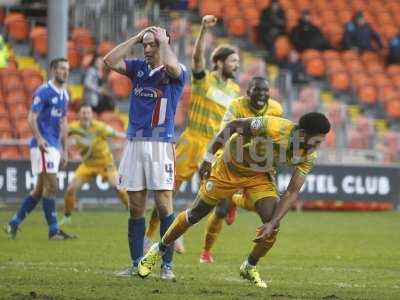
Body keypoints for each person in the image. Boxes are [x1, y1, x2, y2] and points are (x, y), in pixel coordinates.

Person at [138, 112, 331, 288]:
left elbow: (291, 192)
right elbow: (234, 125)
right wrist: (208, 157)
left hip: (258, 176)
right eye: (316, 141)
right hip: (228, 169)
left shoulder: (308, 156)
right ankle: (159, 249)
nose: (317, 147)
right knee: (196, 214)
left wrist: (272, 222)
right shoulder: (273, 126)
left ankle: (249, 266)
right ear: (304, 134)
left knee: (273, 224)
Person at [144, 15, 241, 253]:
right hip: (192, 141)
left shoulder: (236, 90)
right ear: (218, 62)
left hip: (213, 147)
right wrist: (203, 32)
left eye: (238, 61)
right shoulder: (204, 80)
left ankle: (177, 229)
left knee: (207, 198)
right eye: (233, 61)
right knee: (168, 190)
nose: (237, 65)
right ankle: (149, 236)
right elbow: (197, 58)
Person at [104, 26, 187, 280]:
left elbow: (172, 68)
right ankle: (136, 262)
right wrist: (137, 38)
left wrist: (163, 41)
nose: (148, 50)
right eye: (145, 46)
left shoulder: (176, 71)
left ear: (163, 44)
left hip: (160, 145)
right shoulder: (138, 68)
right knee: (136, 206)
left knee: (164, 204)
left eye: (152, 45)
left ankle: (167, 266)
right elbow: (109, 61)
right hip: (134, 143)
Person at [199, 77, 283, 263]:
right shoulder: (236, 106)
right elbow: (226, 134)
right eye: (257, 90)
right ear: (248, 92)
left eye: (265, 90)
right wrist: (212, 159)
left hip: (258, 164)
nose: (262, 94)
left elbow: (274, 138)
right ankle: (206, 251)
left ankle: (236, 201)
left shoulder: (276, 109)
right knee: (220, 210)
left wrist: (270, 162)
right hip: (233, 160)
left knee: (266, 205)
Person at [4, 58, 75, 240]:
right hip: (43, 146)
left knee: (38, 191)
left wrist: (65, 149)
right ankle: (53, 230)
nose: (65, 72)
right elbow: (31, 117)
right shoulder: (43, 91)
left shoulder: (65, 95)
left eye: (67, 69)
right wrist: (40, 139)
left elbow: (64, 122)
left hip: (54, 146)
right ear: (53, 70)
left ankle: (14, 223)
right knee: (52, 186)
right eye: (61, 68)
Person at [59, 104, 129, 225]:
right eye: (83, 113)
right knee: (71, 189)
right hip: (88, 164)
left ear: (92, 115)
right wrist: (65, 149)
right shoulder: (73, 127)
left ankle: (132, 210)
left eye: (88, 113)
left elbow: (117, 134)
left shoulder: (100, 127)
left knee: (119, 188)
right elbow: (62, 136)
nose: (85, 115)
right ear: (79, 115)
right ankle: (67, 216)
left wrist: (130, 137)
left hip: (105, 163)